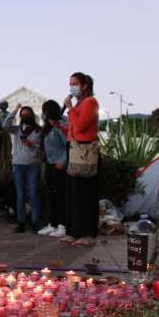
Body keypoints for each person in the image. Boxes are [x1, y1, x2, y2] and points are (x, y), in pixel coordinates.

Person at [60, 73, 100, 247]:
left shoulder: (90, 102)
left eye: (74, 83)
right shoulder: (78, 104)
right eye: (70, 83)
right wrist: (59, 126)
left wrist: (69, 108)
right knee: (73, 193)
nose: (71, 86)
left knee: (85, 193)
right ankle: (73, 231)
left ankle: (87, 233)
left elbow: (82, 126)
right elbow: (73, 129)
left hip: (85, 150)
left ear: (84, 85)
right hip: (74, 149)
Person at [3, 104, 42, 233]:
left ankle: (35, 222)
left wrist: (32, 145)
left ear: (32, 115)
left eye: (28, 114)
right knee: (20, 195)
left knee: (33, 194)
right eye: (23, 114)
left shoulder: (39, 130)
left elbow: (42, 148)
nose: (25, 116)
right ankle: (21, 222)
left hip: (33, 165)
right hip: (18, 165)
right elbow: (5, 125)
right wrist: (14, 110)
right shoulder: (17, 130)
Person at [38, 100, 68, 237]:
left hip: (60, 165)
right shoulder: (47, 126)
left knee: (61, 195)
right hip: (49, 163)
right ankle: (53, 223)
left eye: (45, 111)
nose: (43, 114)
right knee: (51, 194)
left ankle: (63, 225)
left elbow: (68, 144)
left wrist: (62, 161)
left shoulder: (60, 124)